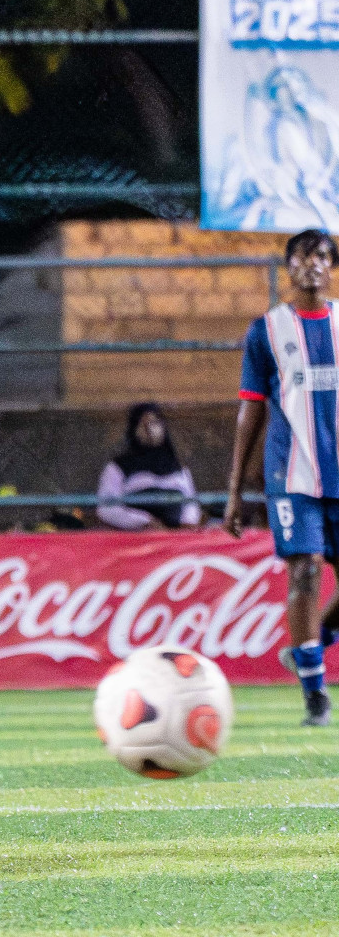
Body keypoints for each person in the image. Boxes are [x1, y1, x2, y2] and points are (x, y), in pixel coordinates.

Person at [227, 229, 339, 727]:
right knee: (306, 570)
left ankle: (312, 643)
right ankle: (315, 694)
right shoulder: (266, 332)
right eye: (302, 256)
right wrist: (235, 490)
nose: (312, 265)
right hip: (292, 473)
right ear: (288, 267)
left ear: (332, 267)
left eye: (321, 256)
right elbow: (249, 412)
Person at [97, 403, 202, 531]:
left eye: (154, 423)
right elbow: (107, 509)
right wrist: (145, 522)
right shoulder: (117, 467)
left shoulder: (179, 468)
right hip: (135, 538)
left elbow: (191, 505)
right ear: (134, 429)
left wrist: (184, 525)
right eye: (143, 424)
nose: (149, 429)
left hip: (176, 538)